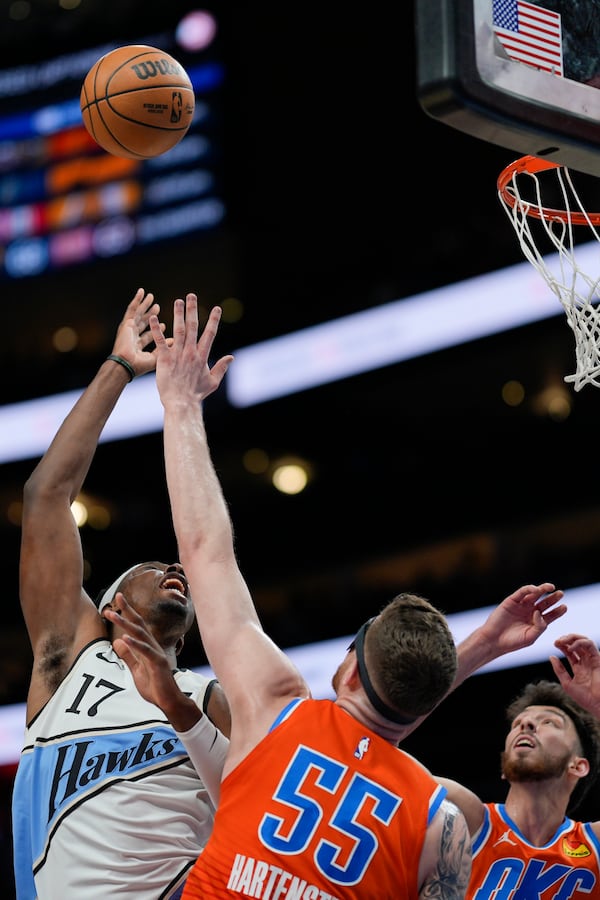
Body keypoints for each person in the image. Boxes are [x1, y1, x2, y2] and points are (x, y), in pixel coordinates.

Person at [106, 294, 473, 899]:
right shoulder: (443, 823)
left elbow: (205, 550)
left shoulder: (276, 701)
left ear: (347, 667)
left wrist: (181, 405)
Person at [12, 289, 231, 900]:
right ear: (108, 609)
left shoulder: (207, 698)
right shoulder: (69, 662)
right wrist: (118, 370)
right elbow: (45, 499)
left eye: (179, 569)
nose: (175, 569)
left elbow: (268, 805)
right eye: (155, 565)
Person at [416, 588, 600, 899]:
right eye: (518, 724)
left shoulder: (594, 845)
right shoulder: (466, 817)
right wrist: (485, 643)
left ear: (578, 765)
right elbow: (378, 747)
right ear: (504, 768)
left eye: (550, 723)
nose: (526, 724)